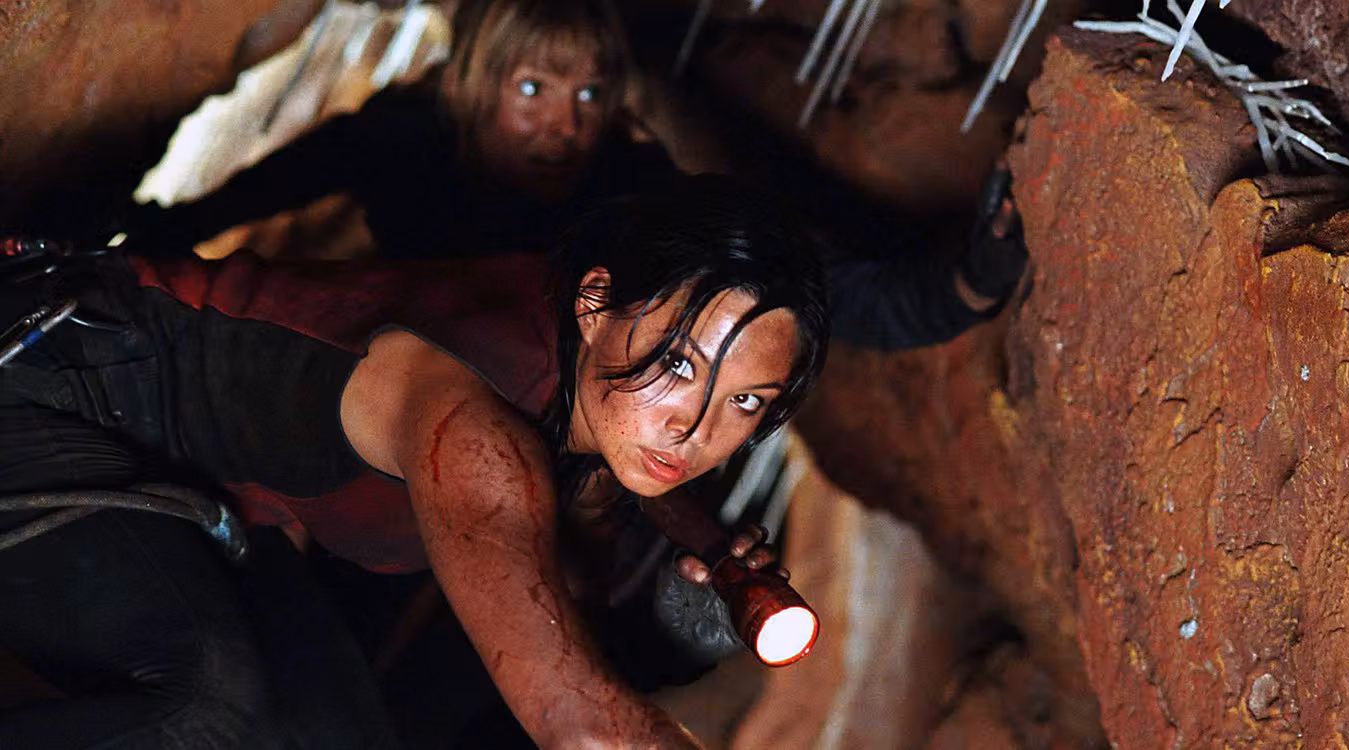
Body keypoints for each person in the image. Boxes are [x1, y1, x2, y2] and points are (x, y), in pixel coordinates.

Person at [0, 174, 828, 748]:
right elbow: (581, 727)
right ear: (595, 305)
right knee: (203, 712)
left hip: (199, 489)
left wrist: (689, 605)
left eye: (745, 402)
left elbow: (585, 590)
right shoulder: (474, 430)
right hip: (40, 379)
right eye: (679, 364)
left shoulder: (597, 398)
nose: (693, 428)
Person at [135, 0, 674, 260]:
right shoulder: (404, 137)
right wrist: (158, 236)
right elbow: (262, 190)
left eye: (590, 94)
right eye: (532, 89)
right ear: (470, 86)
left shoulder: (628, 181)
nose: (566, 125)